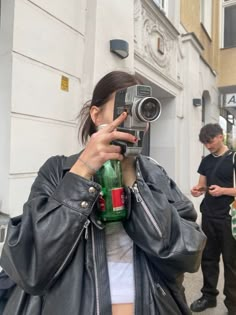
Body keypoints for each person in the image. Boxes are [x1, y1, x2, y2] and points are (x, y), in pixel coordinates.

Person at [0, 71, 206, 315]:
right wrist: (82, 172)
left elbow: (187, 253)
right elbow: (32, 265)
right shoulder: (58, 171)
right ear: (96, 115)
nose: (134, 119)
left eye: (141, 111)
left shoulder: (154, 174)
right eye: (125, 108)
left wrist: (132, 179)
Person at [190, 123, 236, 315]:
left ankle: (233, 304)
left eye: (210, 141)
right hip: (208, 215)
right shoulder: (206, 161)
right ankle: (208, 296)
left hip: (228, 217)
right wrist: (197, 190)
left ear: (220, 137)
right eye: (205, 143)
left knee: (231, 262)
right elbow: (202, 184)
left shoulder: (233, 158)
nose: (208, 146)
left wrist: (223, 191)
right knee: (208, 259)